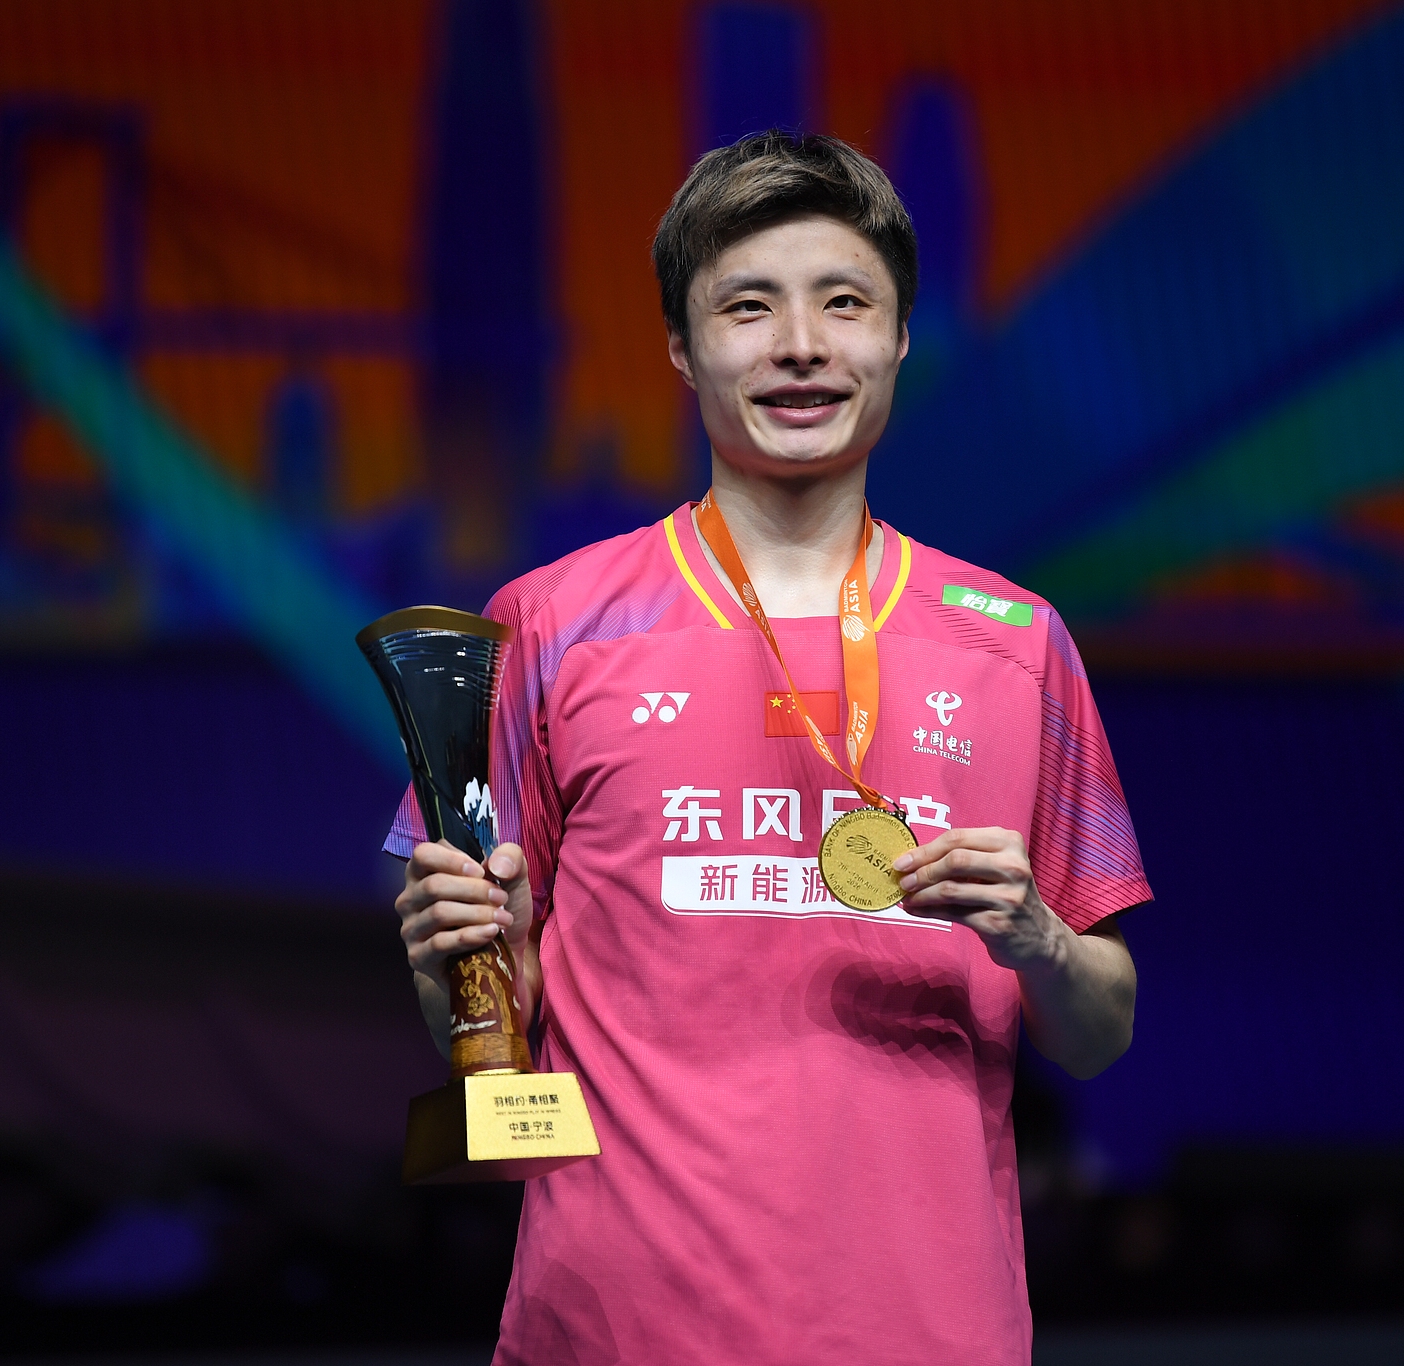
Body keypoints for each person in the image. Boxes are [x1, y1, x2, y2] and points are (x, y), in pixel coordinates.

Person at [387, 130, 1149, 1365]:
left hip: (927, 1329)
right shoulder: (548, 622)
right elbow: (481, 1027)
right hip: (614, 1330)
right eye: (748, 306)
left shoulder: (1015, 642)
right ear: (682, 349)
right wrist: (455, 960)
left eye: (844, 303)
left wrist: (1038, 940)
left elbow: (1099, 1028)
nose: (800, 344)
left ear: (900, 337)